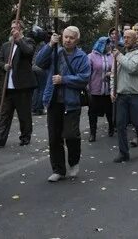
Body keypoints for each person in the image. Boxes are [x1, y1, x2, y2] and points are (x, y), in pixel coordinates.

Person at [35, 26, 91, 182]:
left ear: (77, 40)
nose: (68, 40)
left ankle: (74, 162)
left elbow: (84, 78)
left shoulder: (81, 57)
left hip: (71, 102)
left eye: (71, 38)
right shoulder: (56, 52)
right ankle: (58, 169)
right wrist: (50, 45)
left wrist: (64, 80)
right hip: (53, 100)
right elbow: (39, 62)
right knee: (54, 137)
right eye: (65, 37)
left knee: (71, 135)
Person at [0, 20, 37, 147]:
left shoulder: (28, 42)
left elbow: (29, 52)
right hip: (8, 86)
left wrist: (19, 40)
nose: (13, 30)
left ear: (21, 29)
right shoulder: (6, 45)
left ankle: (25, 137)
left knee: (24, 114)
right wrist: (4, 66)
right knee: (4, 113)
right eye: (12, 28)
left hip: (22, 85)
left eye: (16, 28)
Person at [112, 29, 138, 162]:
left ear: (135, 40)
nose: (125, 40)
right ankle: (123, 153)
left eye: (129, 37)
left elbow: (133, 68)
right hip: (121, 94)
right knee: (120, 125)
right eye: (124, 37)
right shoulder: (120, 54)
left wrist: (119, 57)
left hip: (135, 95)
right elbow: (113, 74)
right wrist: (113, 90)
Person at [87, 32, 115, 142]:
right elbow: (87, 72)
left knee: (109, 110)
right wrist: (87, 86)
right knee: (92, 112)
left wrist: (111, 74)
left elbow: (115, 69)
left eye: (109, 44)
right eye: (106, 44)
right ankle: (92, 133)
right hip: (95, 88)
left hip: (108, 89)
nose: (108, 46)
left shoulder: (111, 56)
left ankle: (111, 127)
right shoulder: (91, 56)